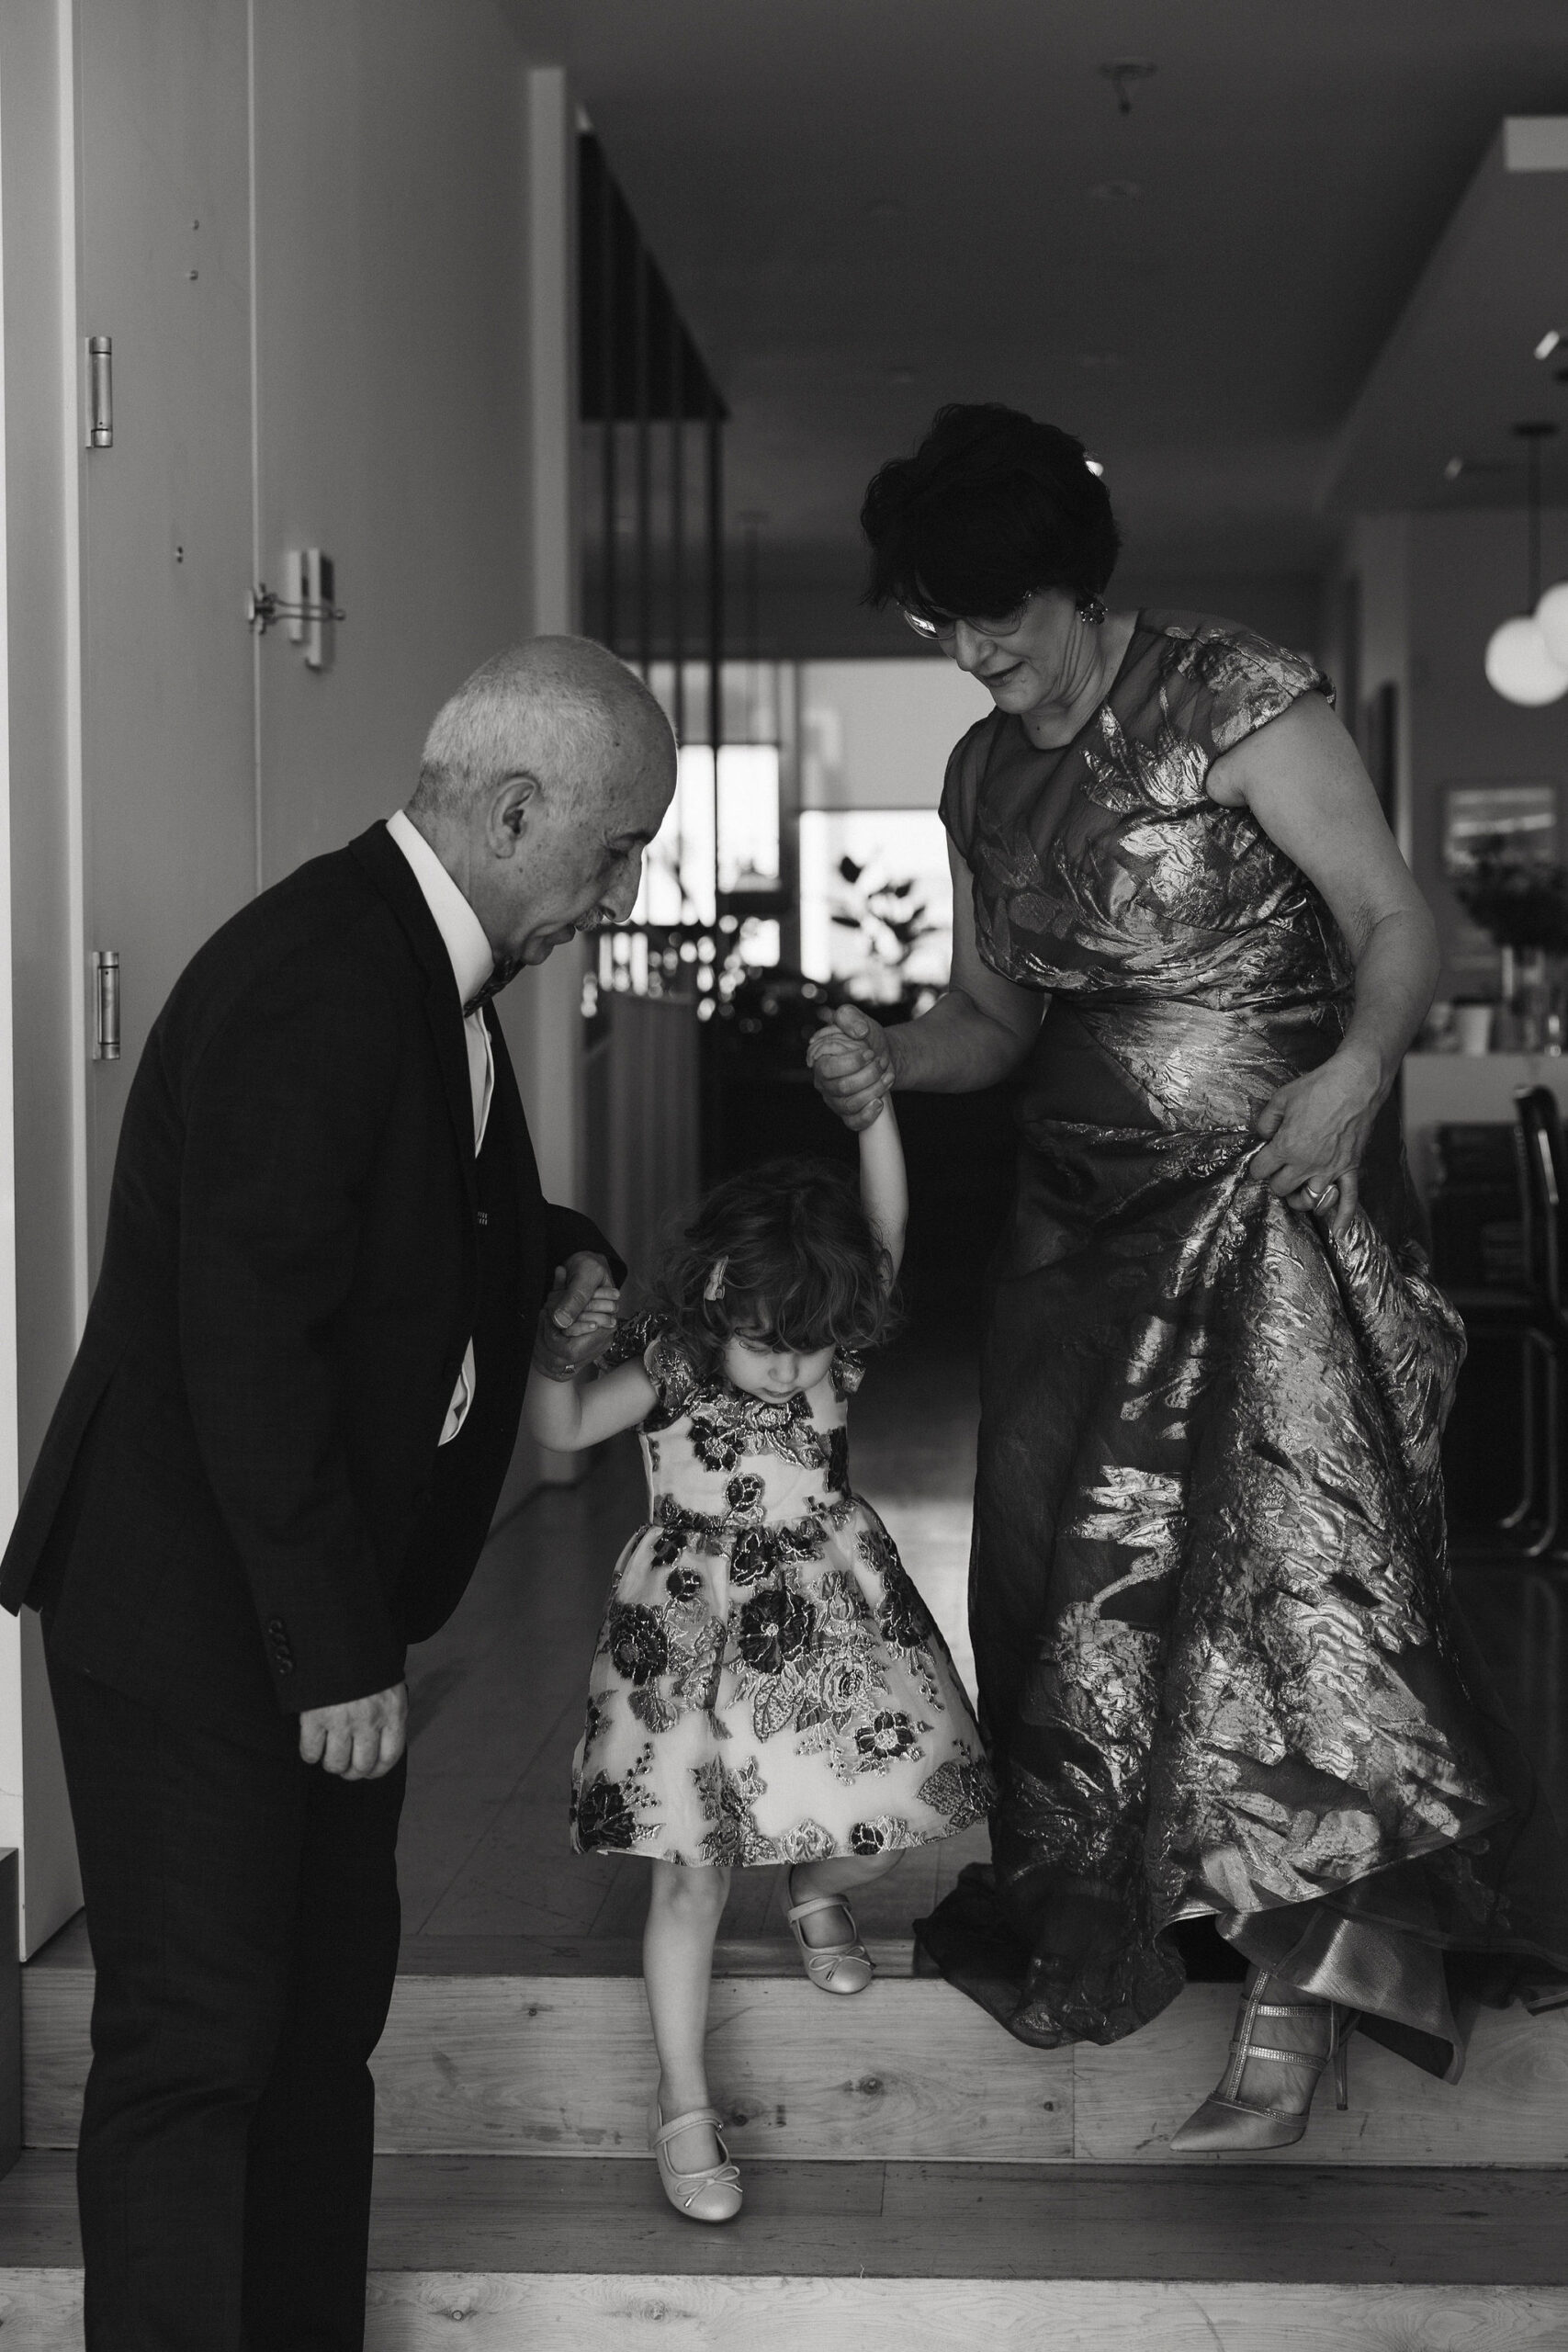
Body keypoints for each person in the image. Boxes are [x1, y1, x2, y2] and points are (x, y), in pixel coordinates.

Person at [810, 402, 1568, 2153]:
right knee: (1059, 1574)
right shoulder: (979, 776)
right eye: (942, 623)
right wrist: (888, 1066)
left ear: (1075, 587)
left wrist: (1359, 1073)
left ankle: (1293, 2026)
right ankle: (1146, 1898)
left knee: (1273, 1578)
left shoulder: (1236, 696)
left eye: (999, 613)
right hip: (1071, 1231)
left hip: (1266, 1196)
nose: (977, 651)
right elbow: (994, 1023)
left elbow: (1393, 917)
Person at [0, 638, 674, 2347]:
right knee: (198, 2046)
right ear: (517, 810)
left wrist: (559, 1260)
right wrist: (336, 1653)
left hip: (300, 1602)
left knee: (312, 2042)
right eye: (614, 849)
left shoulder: (420, 967)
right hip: (197, 1606)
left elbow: (417, 1219)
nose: (621, 891)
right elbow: (247, 1340)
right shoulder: (319, 973)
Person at [526, 1106, 993, 2221]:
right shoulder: (674, 1366)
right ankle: (682, 2099)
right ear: (719, 1291)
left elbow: (883, 1231)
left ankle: (812, 1887)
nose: (790, 1367)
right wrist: (555, 1351)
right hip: (686, 1645)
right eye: (767, 1341)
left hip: (830, 1634)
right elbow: (560, 1426)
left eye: (813, 1344)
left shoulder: (828, 1343)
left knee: (880, 1833)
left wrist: (880, 1116)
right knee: (690, 1873)